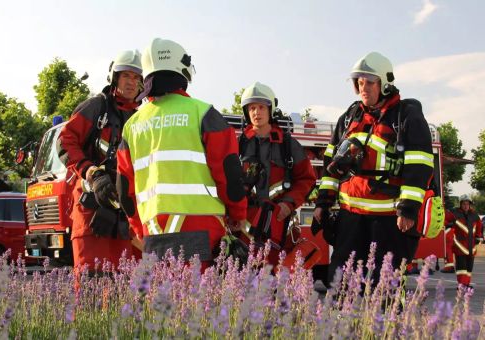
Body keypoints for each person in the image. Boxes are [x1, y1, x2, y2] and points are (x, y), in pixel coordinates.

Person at [116, 38, 247, 269]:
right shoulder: (203, 113)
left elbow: (124, 189)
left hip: (153, 232)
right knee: (202, 301)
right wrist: (238, 214)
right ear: (183, 70)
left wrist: (138, 227)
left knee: (165, 302)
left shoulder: (132, 126)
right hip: (203, 232)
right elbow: (230, 174)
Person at [313, 51, 434, 285]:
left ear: (384, 83)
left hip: (388, 220)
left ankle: (387, 322)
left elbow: (419, 164)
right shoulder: (349, 117)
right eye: (359, 83)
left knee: (384, 287)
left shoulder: (406, 116)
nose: (363, 87)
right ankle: (343, 322)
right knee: (341, 282)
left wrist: (408, 209)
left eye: (369, 82)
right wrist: (323, 203)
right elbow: (331, 165)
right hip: (350, 218)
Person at [57, 50, 143, 270]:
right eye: (126, 76)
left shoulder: (142, 118)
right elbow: (66, 141)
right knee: (92, 282)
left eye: (136, 78)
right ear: (114, 78)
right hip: (92, 209)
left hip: (126, 213)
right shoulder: (97, 107)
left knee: (128, 287)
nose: (131, 83)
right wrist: (91, 172)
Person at [237, 82, 317, 267]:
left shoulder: (288, 145)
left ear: (270, 109)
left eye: (261, 107)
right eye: (252, 108)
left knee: (276, 286)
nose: (257, 112)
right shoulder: (238, 145)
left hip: (279, 228)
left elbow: (307, 179)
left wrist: (289, 204)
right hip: (244, 229)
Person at [446, 195, 483, 287]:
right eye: (464, 204)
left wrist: (478, 236)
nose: (466, 206)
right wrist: (449, 224)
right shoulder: (454, 213)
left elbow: (479, 226)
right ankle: (462, 285)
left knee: (469, 268)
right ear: (460, 204)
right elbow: (444, 220)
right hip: (459, 245)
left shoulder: (474, 215)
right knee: (461, 267)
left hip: (471, 246)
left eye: (467, 204)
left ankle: (467, 284)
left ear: (470, 204)